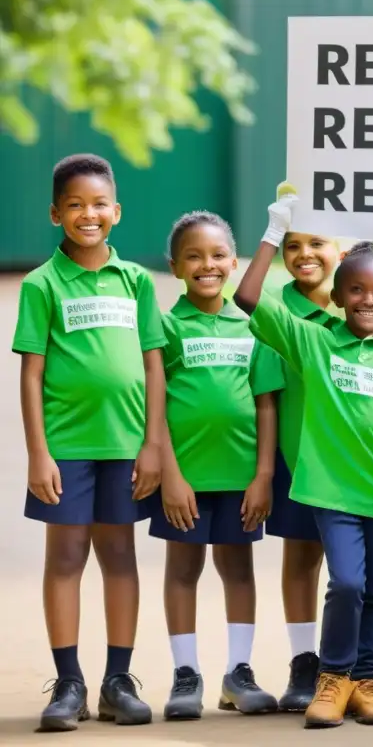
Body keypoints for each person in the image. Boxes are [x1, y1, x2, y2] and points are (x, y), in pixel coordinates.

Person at [233, 195, 373, 729]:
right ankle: (332, 677)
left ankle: (368, 681)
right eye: (357, 290)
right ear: (337, 296)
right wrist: (273, 233)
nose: (369, 300)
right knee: (346, 583)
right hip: (332, 494)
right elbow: (247, 297)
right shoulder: (314, 343)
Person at [14, 153, 166, 731]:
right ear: (56, 214)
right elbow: (30, 373)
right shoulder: (41, 284)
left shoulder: (135, 281)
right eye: (75, 205)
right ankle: (70, 682)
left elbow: (154, 367)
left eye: (99, 204)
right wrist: (38, 452)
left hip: (127, 446)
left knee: (120, 555)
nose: (88, 214)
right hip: (67, 447)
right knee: (67, 557)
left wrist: (153, 443)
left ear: (117, 211)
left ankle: (117, 680)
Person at [150, 212, 283, 720]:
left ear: (233, 261)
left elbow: (266, 403)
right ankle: (186, 675)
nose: (207, 265)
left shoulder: (252, 327)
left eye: (217, 255)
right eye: (194, 257)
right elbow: (154, 407)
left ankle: (238, 673)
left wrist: (264, 475)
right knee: (183, 569)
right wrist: (171, 475)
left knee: (238, 570)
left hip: (241, 479)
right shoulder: (164, 327)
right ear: (176, 267)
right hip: (184, 481)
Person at [264, 227, 342, 712]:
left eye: (316, 243)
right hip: (298, 456)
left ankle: (353, 666)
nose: (304, 255)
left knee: (353, 567)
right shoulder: (278, 307)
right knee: (302, 559)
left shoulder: (363, 298)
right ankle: (303, 661)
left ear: (341, 249)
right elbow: (268, 394)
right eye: (293, 246)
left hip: (357, 462)